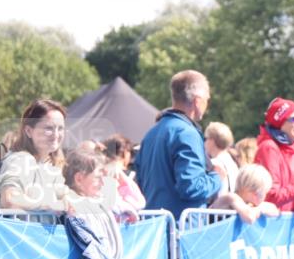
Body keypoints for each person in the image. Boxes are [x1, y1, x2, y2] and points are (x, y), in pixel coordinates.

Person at [136, 70, 223, 219]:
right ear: (197, 101)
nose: (207, 105)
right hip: (180, 231)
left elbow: (141, 183)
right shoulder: (187, 133)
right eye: (207, 100)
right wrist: (217, 178)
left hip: (155, 228)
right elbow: (191, 187)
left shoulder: (150, 134)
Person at [62, 148, 124, 259]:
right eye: (97, 177)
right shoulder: (71, 201)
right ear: (79, 178)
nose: (102, 183)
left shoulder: (96, 202)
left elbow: (135, 201)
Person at [0, 98, 73, 211]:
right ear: (29, 131)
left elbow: (65, 196)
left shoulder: (50, 166)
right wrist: (49, 205)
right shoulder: (21, 160)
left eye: (60, 128)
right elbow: (9, 199)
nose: (56, 135)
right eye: (49, 128)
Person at [209, 163, 281, 224]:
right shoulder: (231, 198)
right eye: (262, 192)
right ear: (250, 190)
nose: (264, 197)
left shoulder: (246, 204)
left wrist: (259, 208)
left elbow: (275, 211)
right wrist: (259, 209)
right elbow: (250, 218)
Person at [102, 134, 146, 214]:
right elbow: (140, 202)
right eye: (130, 152)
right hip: (129, 221)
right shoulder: (131, 175)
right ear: (125, 152)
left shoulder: (99, 172)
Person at [204, 122, 239, 194]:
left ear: (212, 140)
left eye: (206, 138)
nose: (204, 142)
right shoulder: (232, 163)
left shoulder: (213, 164)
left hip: (217, 204)